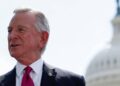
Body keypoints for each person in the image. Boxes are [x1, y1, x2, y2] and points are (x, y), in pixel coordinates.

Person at [0, 8, 85, 86]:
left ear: (43, 38)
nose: (11, 36)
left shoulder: (73, 82)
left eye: (21, 30)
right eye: (9, 30)